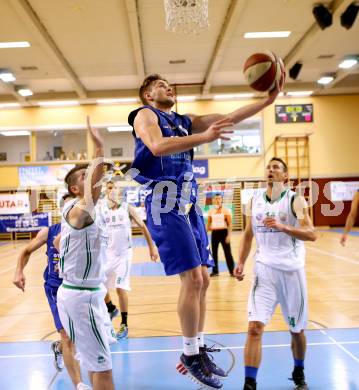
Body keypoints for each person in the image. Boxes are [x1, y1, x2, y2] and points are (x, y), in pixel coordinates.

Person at [128, 73, 284, 389]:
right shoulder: (145, 115)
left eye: (169, 85)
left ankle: (197, 349)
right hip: (163, 199)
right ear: (147, 95)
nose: (168, 87)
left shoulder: (185, 120)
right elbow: (157, 147)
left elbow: (227, 119)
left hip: (188, 202)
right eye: (160, 85)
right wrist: (205, 137)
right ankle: (188, 354)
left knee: (204, 279)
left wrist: (268, 101)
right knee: (194, 279)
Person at [233, 157, 317, 390]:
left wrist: (283, 227)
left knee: (296, 330)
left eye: (276, 168)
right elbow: (248, 235)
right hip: (264, 271)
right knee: (254, 327)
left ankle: (299, 371)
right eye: (268, 167)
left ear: (285, 176)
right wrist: (240, 261)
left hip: (292, 273)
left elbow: (311, 233)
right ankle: (250, 383)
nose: (271, 170)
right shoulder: (255, 199)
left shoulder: (295, 200)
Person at [56, 117, 115, 390]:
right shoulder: (78, 209)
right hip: (81, 296)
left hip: (81, 292)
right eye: (85, 175)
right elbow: (94, 189)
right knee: (103, 367)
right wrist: (99, 148)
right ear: (74, 189)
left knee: (95, 363)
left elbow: (58, 242)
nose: (93, 177)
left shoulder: (79, 212)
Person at [13, 194, 91, 390]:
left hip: (79, 288)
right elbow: (25, 251)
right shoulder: (49, 232)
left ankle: (58, 348)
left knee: (77, 336)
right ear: (62, 211)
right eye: (68, 207)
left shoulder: (85, 231)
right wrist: (18, 271)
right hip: (56, 289)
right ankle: (79, 385)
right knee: (67, 335)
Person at [100, 186, 158, 339]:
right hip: (108, 254)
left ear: (119, 193)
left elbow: (143, 227)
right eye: (109, 189)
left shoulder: (127, 208)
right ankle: (111, 308)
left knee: (120, 287)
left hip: (124, 254)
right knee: (100, 285)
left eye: (115, 189)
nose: (112, 191)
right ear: (107, 193)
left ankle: (124, 324)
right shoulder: (102, 210)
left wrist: (152, 247)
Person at [207, 193, 235, 277]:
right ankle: (215, 271)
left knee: (228, 253)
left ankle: (232, 271)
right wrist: (204, 234)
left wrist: (229, 235)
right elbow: (208, 225)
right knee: (214, 253)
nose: (218, 200)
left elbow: (230, 224)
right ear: (213, 200)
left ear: (221, 200)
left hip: (224, 233)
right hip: (214, 234)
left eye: (219, 198)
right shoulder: (210, 211)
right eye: (216, 199)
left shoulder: (226, 211)